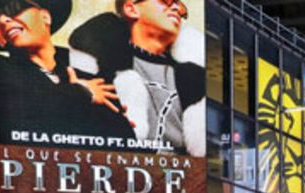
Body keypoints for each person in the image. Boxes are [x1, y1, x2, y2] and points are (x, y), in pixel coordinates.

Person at [0, 0, 134, 146]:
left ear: (45, 17)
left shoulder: (91, 75)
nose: (2, 20)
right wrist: (82, 94)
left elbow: (122, 140)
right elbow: (7, 128)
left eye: (13, 7)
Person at [69, 0, 206, 156]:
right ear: (131, 9)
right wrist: (78, 94)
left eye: (180, 5)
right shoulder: (98, 64)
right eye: (166, 1)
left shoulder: (192, 77)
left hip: (179, 175)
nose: (176, 8)